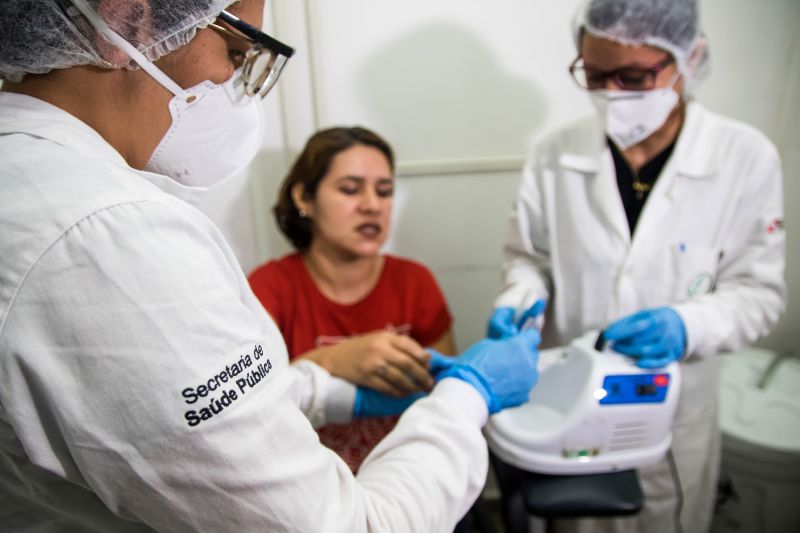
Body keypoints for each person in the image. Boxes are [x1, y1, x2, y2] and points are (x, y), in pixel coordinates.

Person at [0, 1, 542, 531]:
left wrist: (331, 391)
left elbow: (188, 419)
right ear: (123, 20)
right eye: (237, 52)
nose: (235, 86)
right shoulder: (108, 234)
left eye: (383, 189)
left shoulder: (43, 184)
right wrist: (470, 393)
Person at [488, 0, 786, 531]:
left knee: (666, 517)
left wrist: (686, 324)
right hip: (570, 397)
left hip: (674, 411)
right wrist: (521, 299)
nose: (613, 95)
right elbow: (527, 259)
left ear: (687, 59)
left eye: (633, 76)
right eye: (595, 75)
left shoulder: (745, 157)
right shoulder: (554, 154)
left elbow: (759, 294)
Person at [249, 126, 456, 472]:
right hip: (308, 483)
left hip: (406, 476)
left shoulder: (414, 281)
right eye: (350, 189)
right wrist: (332, 360)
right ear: (304, 198)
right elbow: (251, 410)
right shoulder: (269, 288)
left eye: (385, 191)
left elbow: (444, 399)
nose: (373, 206)